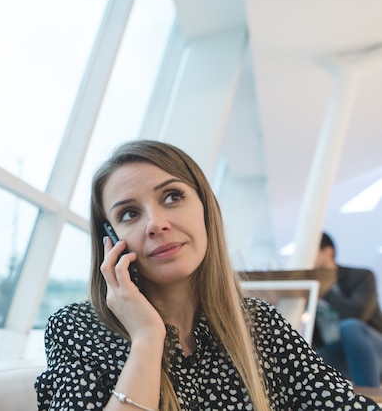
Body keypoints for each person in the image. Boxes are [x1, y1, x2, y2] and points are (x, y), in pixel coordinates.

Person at [34, 139, 380, 410]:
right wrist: (146, 337)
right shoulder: (78, 329)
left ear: (205, 209)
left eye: (172, 197)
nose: (156, 224)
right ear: (111, 240)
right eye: (129, 213)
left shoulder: (258, 325)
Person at [313, 231, 382, 388]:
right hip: (337, 351)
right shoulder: (310, 287)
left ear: (328, 252)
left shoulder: (361, 276)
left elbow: (358, 314)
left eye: (312, 251)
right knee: (311, 361)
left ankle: (369, 399)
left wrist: (326, 291)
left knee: (350, 327)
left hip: (371, 345)